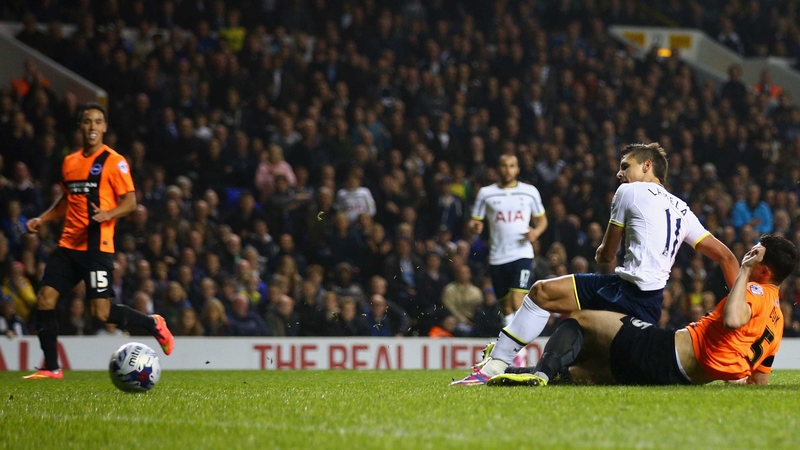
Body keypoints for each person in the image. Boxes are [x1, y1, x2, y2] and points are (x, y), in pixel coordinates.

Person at [453, 143, 738, 385]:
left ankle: (502, 367)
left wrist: (602, 250)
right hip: (648, 304)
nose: (619, 173)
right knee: (551, 304)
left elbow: (606, 253)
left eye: (625, 166)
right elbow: (725, 256)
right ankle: (510, 367)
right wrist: (742, 306)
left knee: (554, 307)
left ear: (647, 166)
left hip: (629, 294)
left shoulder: (630, 192)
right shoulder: (682, 209)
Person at [489, 235, 799, 387]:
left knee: (582, 320)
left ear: (765, 270)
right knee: (583, 373)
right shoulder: (778, 320)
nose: (749, 254)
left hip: (665, 350)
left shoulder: (754, 291)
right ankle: (517, 374)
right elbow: (759, 383)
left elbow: (733, 319)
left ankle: (540, 373)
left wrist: (744, 272)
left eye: (755, 253)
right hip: (677, 378)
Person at [23, 104, 174, 380]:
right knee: (45, 299)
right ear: (80, 127)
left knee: (101, 312)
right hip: (69, 245)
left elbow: (130, 202)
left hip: (97, 247)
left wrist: (109, 213)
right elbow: (67, 201)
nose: (92, 127)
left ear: (104, 127)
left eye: (97, 122)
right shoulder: (69, 162)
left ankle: (153, 323)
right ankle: (52, 367)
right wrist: (42, 220)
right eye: (87, 122)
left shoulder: (114, 162)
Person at [469, 154, 548, 327]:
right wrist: (475, 226)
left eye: (511, 166)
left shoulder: (529, 192)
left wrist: (536, 232)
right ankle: (510, 343)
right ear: (498, 169)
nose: (507, 170)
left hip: (522, 254)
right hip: (498, 256)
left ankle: (519, 349)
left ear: (517, 169)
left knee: (517, 301)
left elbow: (542, 220)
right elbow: (475, 220)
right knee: (506, 307)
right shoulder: (486, 194)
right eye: (504, 166)